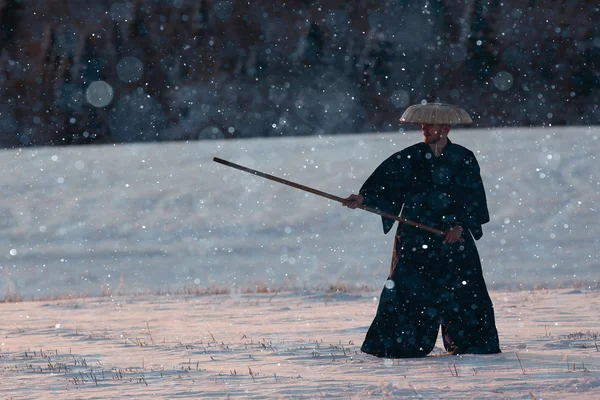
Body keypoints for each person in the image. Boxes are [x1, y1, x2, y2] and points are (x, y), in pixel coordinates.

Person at [343, 103, 501, 358]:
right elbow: (385, 184)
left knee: (465, 293)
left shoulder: (464, 158)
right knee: (407, 291)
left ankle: (472, 344)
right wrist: (363, 199)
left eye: (431, 125)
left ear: (446, 128)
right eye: (423, 125)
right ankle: (399, 346)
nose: (425, 128)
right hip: (416, 239)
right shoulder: (409, 157)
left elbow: (474, 198)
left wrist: (460, 226)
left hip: (455, 241)